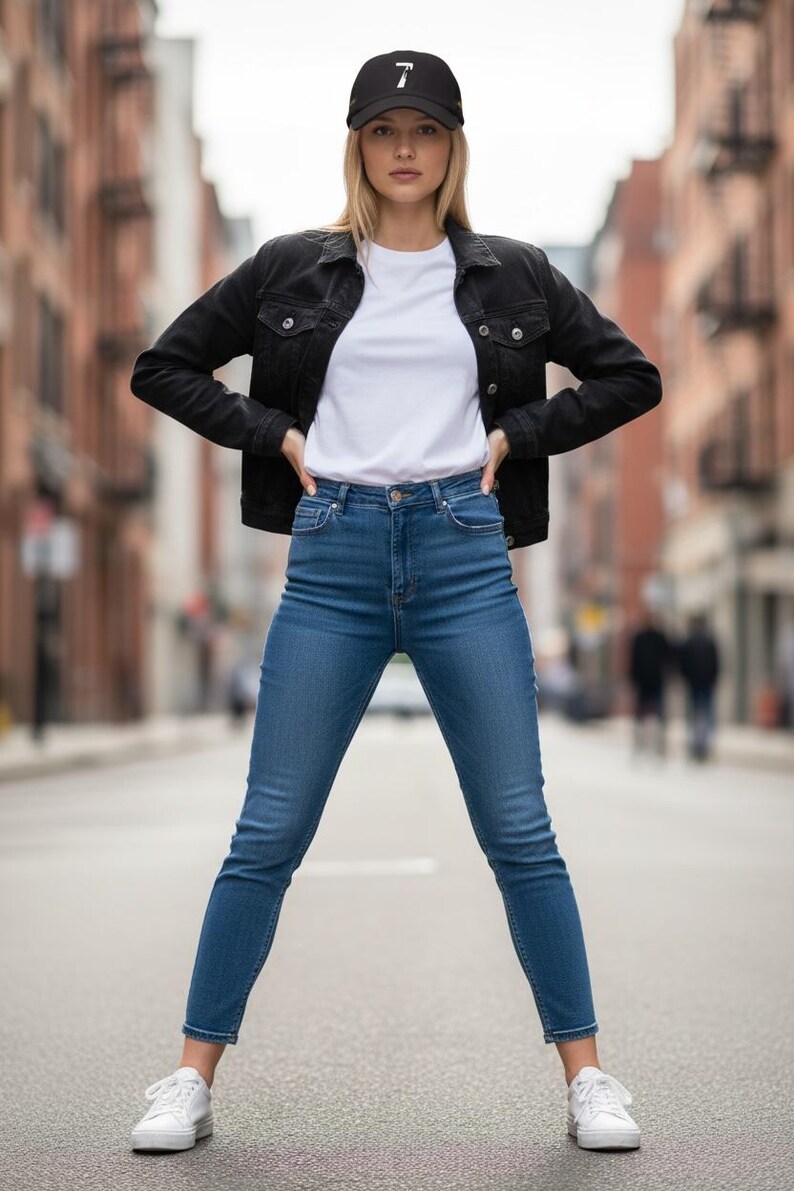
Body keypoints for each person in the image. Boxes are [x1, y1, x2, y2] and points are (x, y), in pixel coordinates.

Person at [129, 50, 662, 1154]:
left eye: (424, 129)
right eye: (383, 130)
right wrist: (270, 433)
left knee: (519, 829)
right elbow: (165, 366)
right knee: (267, 829)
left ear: (453, 146)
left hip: (465, 549)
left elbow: (628, 375)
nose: (404, 149)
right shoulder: (290, 269)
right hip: (332, 554)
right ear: (358, 146)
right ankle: (187, 1078)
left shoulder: (513, 273)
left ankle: (587, 1078)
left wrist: (519, 433)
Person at [627, 610, 675, 761]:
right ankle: (657, 746)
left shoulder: (640, 638)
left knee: (642, 714)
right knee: (657, 714)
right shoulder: (658, 637)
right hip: (654, 680)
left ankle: (643, 745)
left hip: (645, 680)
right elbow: (668, 658)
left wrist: (632, 678)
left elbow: (633, 661)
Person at [677, 612, 721, 761]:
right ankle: (703, 745)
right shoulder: (709, 642)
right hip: (705, 683)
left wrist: (685, 678)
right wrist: (714, 679)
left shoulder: (688, 641)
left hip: (694, 683)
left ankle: (695, 744)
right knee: (706, 715)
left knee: (694, 715)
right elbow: (716, 664)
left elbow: (682, 664)